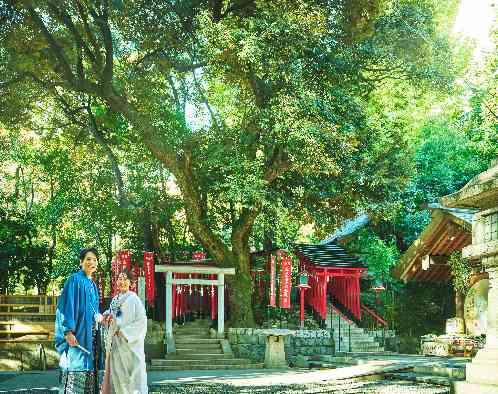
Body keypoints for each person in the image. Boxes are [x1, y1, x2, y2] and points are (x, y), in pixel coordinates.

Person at [55, 247, 103, 394]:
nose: (92, 262)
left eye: (95, 259)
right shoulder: (74, 280)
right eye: (88, 259)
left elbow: (93, 310)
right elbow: (66, 307)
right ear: (81, 262)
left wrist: (100, 317)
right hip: (77, 336)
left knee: (89, 373)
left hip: (92, 337)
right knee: (75, 372)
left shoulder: (93, 285)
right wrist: (68, 331)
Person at [101, 268, 148, 394]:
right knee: (118, 378)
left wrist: (124, 332)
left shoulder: (134, 299)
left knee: (132, 380)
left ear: (131, 283)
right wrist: (106, 318)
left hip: (129, 346)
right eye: (119, 279)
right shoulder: (115, 300)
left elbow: (142, 322)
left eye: (125, 279)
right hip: (116, 345)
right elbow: (113, 316)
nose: (122, 281)